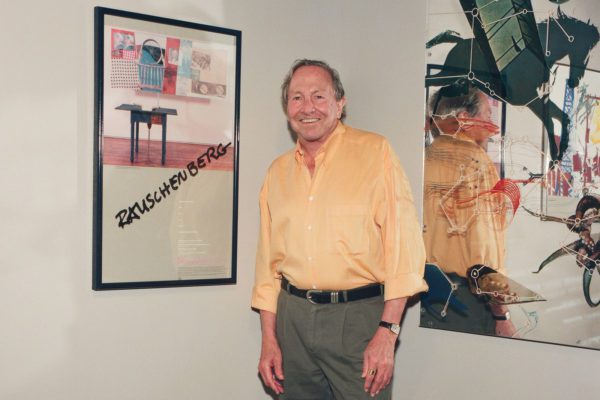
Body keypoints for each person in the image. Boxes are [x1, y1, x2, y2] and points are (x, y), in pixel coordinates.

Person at [251, 59, 427, 399]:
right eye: (297, 97)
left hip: (358, 320)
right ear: (287, 107)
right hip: (292, 317)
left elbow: (404, 249)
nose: (307, 108)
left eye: (319, 96)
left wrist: (388, 333)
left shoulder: (376, 153)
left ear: (340, 104)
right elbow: (267, 267)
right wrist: (269, 340)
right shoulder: (277, 173)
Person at [420, 80, 517, 337]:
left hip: (423, 293)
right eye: (487, 113)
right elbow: (484, 253)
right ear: (464, 118)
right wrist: (501, 314)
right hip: (466, 302)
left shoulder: (422, 159)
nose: (491, 121)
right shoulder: (477, 164)